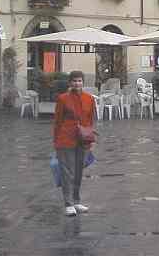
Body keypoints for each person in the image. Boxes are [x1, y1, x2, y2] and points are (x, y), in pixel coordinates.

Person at [53, 70, 95, 216]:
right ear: (70, 83)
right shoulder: (63, 99)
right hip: (66, 139)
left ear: (83, 82)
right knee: (67, 172)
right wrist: (56, 140)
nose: (77, 83)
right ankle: (68, 203)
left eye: (80, 81)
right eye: (74, 81)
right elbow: (58, 121)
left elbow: (90, 120)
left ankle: (76, 201)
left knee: (78, 172)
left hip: (83, 140)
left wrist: (90, 141)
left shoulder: (89, 98)